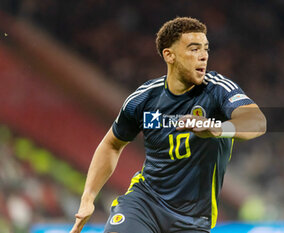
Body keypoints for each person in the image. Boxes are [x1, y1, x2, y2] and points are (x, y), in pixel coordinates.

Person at [70, 17, 266, 233]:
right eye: (194, 49)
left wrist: (218, 129)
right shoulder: (144, 98)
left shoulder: (218, 89)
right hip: (145, 203)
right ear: (169, 55)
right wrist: (88, 198)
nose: (203, 56)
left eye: (206, 49)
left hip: (193, 219)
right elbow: (112, 144)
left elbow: (257, 122)